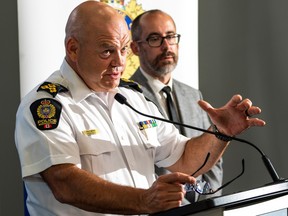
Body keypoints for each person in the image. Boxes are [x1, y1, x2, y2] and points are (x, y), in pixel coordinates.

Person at [14, 1, 266, 215]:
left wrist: (220, 132)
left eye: (124, 49)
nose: (120, 62)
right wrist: (145, 200)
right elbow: (64, 183)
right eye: (107, 51)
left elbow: (184, 159)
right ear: (73, 48)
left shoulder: (132, 98)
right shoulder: (47, 105)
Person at [129, 9, 223, 202]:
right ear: (135, 48)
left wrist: (208, 203)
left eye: (171, 37)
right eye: (155, 39)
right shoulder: (127, 98)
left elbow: (213, 155)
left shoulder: (192, 95)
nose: (166, 46)